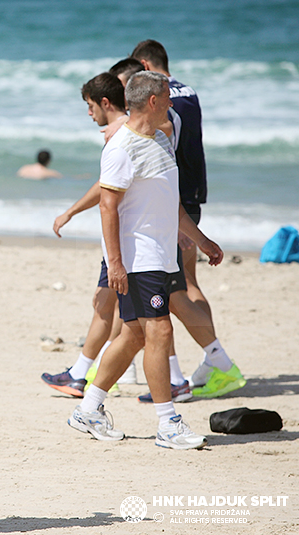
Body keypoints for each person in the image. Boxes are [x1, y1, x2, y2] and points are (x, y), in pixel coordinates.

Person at [68, 71, 223, 450]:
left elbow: (172, 203)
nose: (172, 102)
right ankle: (168, 423)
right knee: (159, 332)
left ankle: (88, 408)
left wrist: (201, 241)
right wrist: (116, 264)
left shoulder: (161, 139)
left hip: (162, 254)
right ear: (152, 101)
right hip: (139, 258)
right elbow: (108, 206)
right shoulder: (121, 148)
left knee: (135, 334)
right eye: (167, 96)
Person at [131, 39, 245, 398]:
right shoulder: (188, 90)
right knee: (187, 285)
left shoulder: (162, 97)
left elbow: (161, 134)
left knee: (172, 290)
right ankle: (208, 363)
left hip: (173, 200)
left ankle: (206, 364)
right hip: (193, 192)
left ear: (146, 64)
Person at [42, 73, 134, 397]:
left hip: (121, 240)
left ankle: (83, 376)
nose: (89, 112)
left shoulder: (119, 135)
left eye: (89, 105)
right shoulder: (136, 130)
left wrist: (70, 212)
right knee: (110, 306)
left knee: (112, 310)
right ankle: (85, 373)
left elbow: (107, 195)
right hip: (127, 239)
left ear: (104, 103)